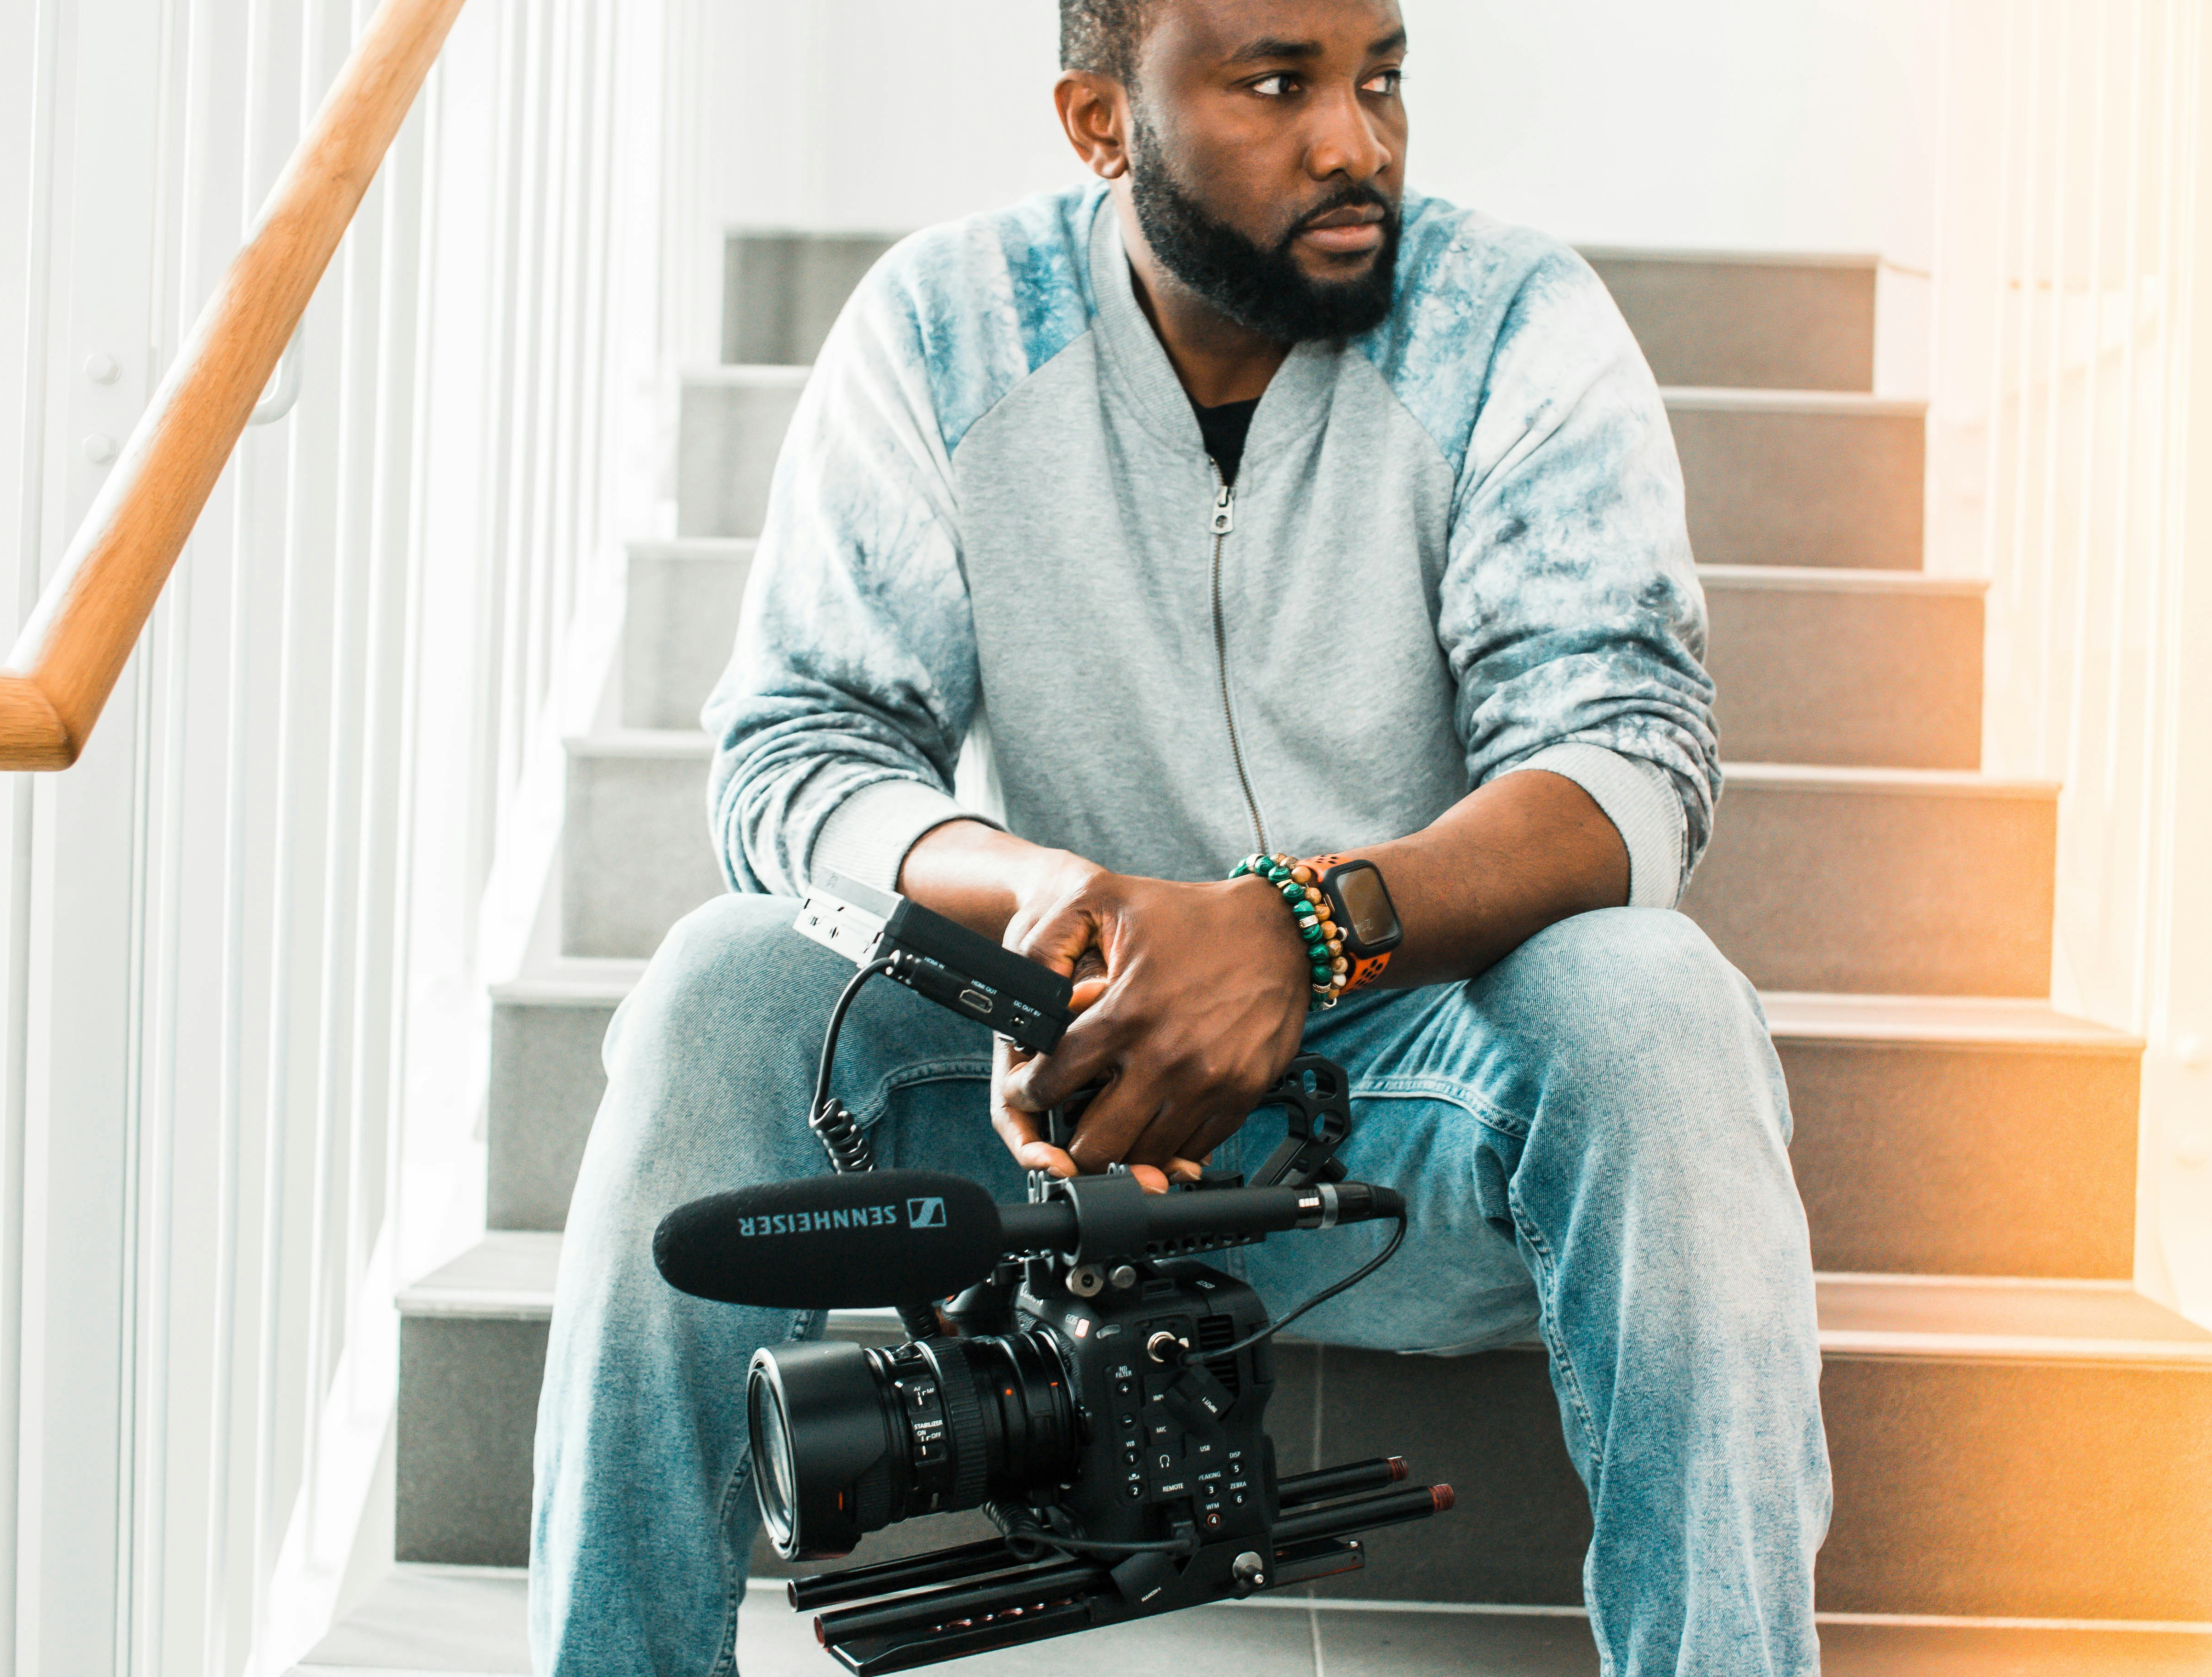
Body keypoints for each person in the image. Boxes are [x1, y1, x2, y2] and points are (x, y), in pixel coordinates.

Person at [529, 0, 1829, 1670]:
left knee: (1656, 1001)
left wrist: (1300, 928)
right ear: (1099, 121)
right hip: (1061, 1103)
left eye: (1379, 76)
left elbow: (1626, 757)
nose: (1355, 139)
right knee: (723, 978)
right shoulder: (943, 326)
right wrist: (1031, 900)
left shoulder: (1513, 320)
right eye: (1277, 85)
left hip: (1401, 1124)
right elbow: (796, 751)